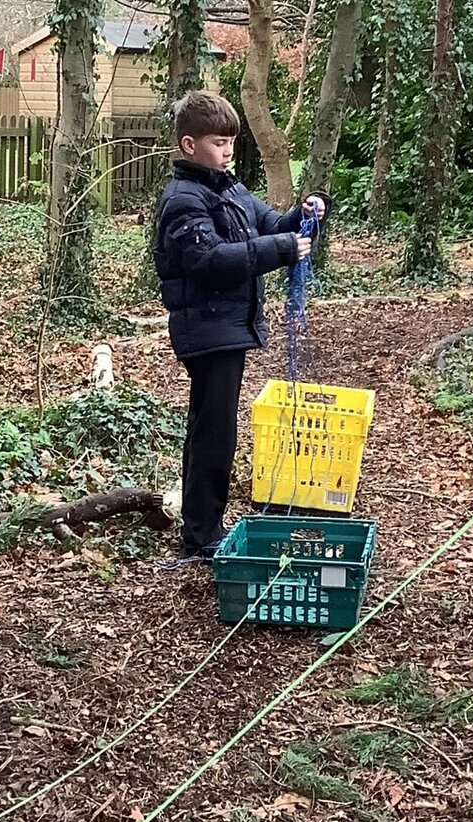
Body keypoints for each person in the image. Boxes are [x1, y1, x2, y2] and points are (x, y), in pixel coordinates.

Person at [154, 91, 328, 566]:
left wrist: (304, 214)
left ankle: (202, 527)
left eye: (231, 141)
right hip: (208, 330)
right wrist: (283, 249)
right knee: (214, 432)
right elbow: (208, 260)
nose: (227, 150)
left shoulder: (228, 187)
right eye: (218, 142)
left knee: (212, 427)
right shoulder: (184, 199)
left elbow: (268, 221)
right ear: (188, 144)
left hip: (229, 326)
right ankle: (203, 535)